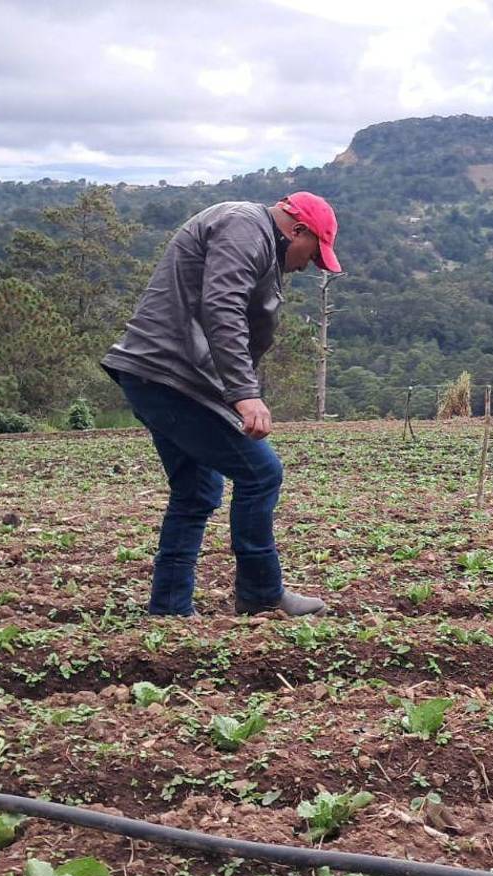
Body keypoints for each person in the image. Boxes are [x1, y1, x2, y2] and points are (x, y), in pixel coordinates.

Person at [102, 192, 341, 618]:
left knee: (196, 491)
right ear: (298, 229)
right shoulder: (244, 225)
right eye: (314, 253)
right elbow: (222, 305)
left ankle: (170, 608)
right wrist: (244, 394)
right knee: (261, 472)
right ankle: (261, 593)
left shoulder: (257, 239)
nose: (309, 265)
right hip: (170, 375)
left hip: (166, 376)